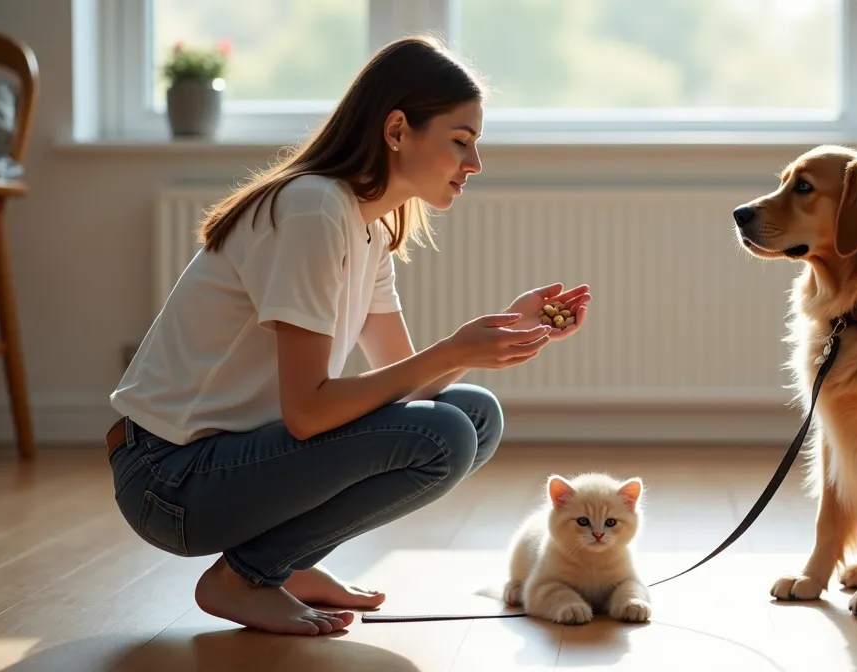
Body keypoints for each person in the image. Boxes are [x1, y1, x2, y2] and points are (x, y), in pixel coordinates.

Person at [105, 35, 590, 636]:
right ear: (396, 130)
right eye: (461, 142)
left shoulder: (368, 226)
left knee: (473, 415)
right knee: (442, 435)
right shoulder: (313, 210)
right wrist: (456, 348)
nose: (475, 164)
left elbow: (404, 390)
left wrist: (500, 331)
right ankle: (247, 576)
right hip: (168, 479)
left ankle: (286, 565)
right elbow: (308, 412)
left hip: (228, 462)